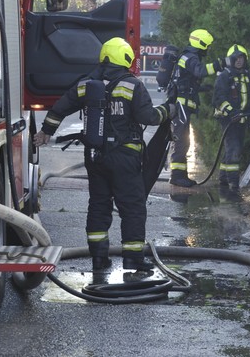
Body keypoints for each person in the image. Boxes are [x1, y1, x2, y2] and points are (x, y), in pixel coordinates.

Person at [33, 37, 172, 272]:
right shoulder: (132, 85)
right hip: (125, 157)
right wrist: (167, 110)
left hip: (95, 156)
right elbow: (148, 117)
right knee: (132, 207)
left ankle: (99, 258)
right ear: (125, 58)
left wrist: (46, 132)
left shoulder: (87, 84)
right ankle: (133, 259)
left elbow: (60, 107)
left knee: (98, 205)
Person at [168, 28, 223, 187]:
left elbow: (186, 82)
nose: (208, 49)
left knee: (183, 140)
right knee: (181, 141)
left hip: (183, 103)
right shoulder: (189, 57)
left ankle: (180, 175)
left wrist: (201, 89)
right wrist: (219, 64)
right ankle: (177, 176)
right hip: (181, 105)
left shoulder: (188, 56)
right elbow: (199, 71)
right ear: (202, 44)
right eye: (207, 46)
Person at [212, 44, 250, 194]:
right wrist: (231, 112)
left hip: (241, 119)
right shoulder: (224, 76)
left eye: (241, 58)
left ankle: (223, 178)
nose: (239, 61)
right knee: (234, 149)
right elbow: (218, 99)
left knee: (232, 148)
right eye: (236, 58)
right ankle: (233, 183)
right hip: (228, 120)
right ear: (230, 60)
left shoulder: (248, 76)